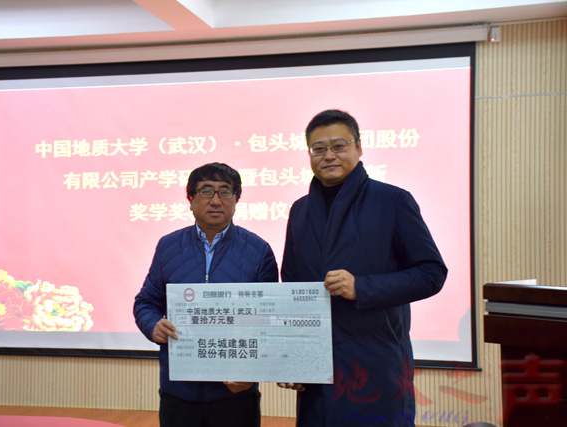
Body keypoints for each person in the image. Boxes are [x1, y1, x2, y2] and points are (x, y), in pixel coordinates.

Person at [278, 110, 447, 426]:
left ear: (359, 147)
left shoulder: (392, 201)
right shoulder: (300, 210)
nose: (329, 155)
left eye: (338, 145)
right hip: (317, 371)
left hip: (376, 366)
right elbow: (290, 287)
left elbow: (431, 273)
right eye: (318, 148)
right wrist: (293, 358)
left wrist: (362, 287)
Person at [134, 162, 279, 427]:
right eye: (206, 191)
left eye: (225, 192)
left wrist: (253, 372)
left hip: (235, 393)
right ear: (190, 199)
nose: (215, 200)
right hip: (179, 391)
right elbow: (146, 302)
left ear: (236, 199)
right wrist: (152, 324)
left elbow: (270, 321)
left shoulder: (259, 251)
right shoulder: (168, 246)